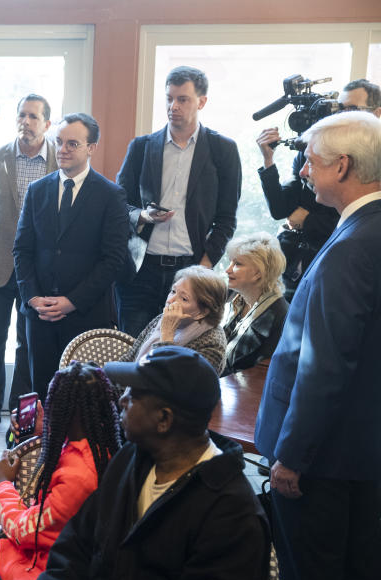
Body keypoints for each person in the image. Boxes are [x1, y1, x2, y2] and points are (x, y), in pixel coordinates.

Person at [16, 346, 269, 580]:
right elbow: (75, 552)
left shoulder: (231, 514)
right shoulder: (130, 460)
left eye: (134, 395)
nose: (121, 400)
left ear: (164, 419)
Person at [254, 111, 381, 580]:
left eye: (310, 158)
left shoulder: (351, 248)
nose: (302, 167)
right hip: (359, 448)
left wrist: (291, 456)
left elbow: (323, 365)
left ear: (343, 165)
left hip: (321, 460)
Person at [0, 361, 122, 580]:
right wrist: (47, 430)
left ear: (65, 410)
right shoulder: (103, 448)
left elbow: (22, 531)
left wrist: (2, 483)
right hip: (52, 571)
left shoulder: (78, 478)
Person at [116, 65, 241, 337]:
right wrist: (143, 216)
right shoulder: (141, 147)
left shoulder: (223, 149)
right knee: (134, 349)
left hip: (192, 270)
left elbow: (227, 217)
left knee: (181, 354)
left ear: (202, 101)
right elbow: (118, 205)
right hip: (141, 269)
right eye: (169, 98)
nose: (174, 106)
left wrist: (204, 267)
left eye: (182, 99)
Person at [14, 112, 129, 404]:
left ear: (92, 148)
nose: (63, 149)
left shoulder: (111, 195)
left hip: (85, 315)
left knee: (82, 401)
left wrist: (71, 302)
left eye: (72, 144)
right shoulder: (37, 190)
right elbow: (22, 250)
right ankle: (41, 447)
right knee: (41, 393)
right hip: (39, 314)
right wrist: (32, 298)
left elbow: (113, 260)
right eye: (60, 142)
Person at [0, 95, 57, 436]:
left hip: (39, 274)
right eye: (22, 115)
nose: (26, 122)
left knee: (28, 344)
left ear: (47, 124)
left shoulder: (58, 162)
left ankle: (21, 414)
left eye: (34, 116)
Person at [256, 79, 381, 298]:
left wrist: (307, 220)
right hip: (298, 268)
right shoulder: (310, 154)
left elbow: (361, 220)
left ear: (377, 113)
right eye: (339, 108)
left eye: (351, 110)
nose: (341, 116)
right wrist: (268, 160)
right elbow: (280, 209)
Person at [118, 264, 227, 374]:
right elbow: (129, 359)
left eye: (184, 298)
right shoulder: (161, 319)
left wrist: (167, 334)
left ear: (202, 312)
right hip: (131, 387)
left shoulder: (212, 343)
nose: (170, 300)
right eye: (173, 291)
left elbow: (169, 383)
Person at [220, 232, 287, 376]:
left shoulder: (279, 314)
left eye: (237, 264)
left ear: (258, 273)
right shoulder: (232, 297)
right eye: (230, 262)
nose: (228, 269)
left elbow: (260, 373)